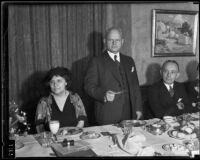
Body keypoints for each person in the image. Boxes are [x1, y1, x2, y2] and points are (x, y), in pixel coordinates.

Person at [84, 27, 142, 125]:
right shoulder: (96, 61)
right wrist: (103, 95)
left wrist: (138, 108)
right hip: (108, 113)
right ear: (105, 41)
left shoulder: (129, 61)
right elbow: (88, 86)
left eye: (117, 40)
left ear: (122, 41)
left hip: (129, 113)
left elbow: (135, 86)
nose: (114, 43)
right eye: (111, 40)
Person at [35, 67, 87, 133]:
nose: (55, 85)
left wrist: (73, 133)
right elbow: (39, 126)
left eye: (59, 81)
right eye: (52, 82)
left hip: (74, 137)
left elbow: (82, 120)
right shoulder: (44, 102)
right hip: (52, 140)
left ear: (66, 82)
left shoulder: (75, 97)